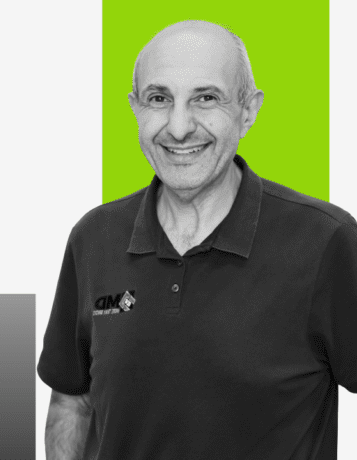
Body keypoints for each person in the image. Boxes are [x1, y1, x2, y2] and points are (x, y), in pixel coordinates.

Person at [38, 20, 357, 459]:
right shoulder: (94, 239)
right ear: (134, 108)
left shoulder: (326, 242)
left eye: (206, 98)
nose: (179, 127)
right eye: (158, 99)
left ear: (249, 110)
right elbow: (72, 402)